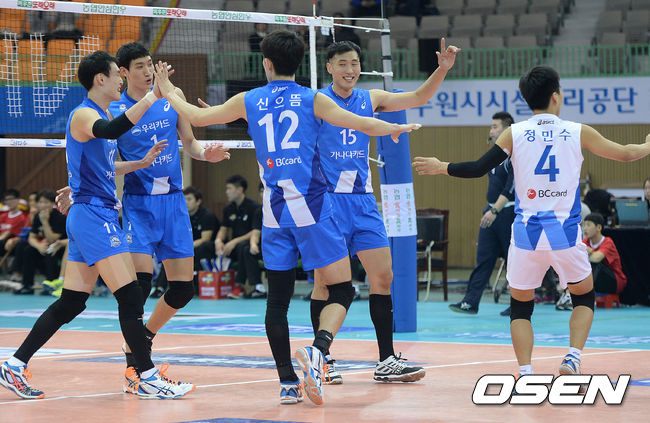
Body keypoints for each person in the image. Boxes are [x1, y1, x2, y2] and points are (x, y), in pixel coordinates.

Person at [152, 29, 420, 405]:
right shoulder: (313, 98)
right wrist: (395, 127)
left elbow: (196, 116)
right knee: (342, 289)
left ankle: (288, 384)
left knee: (277, 302)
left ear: (266, 63)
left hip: (274, 212)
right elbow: (361, 123)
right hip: (313, 208)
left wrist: (167, 88)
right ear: (300, 63)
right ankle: (318, 350)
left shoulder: (249, 99)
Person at [412, 65, 650, 379]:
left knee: (521, 307)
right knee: (583, 296)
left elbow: (479, 168)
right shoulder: (577, 131)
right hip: (565, 234)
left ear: (526, 99)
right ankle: (572, 358)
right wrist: (647, 146)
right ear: (556, 96)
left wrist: (442, 165)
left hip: (526, 235)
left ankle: (525, 372)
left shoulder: (515, 133)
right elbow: (625, 154)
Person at [0, 50, 193, 400]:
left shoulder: (100, 112)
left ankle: (14, 364)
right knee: (130, 295)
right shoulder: (85, 115)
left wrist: (139, 163)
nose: (121, 80)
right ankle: (146, 376)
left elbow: (104, 167)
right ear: (100, 79)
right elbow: (112, 129)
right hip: (93, 216)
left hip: (92, 212)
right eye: (117, 75)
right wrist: (155, 94)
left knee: (72, 302)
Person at [311, 39, 458, 384]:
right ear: (329, 68)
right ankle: (323, 358)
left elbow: (417, 98)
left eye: (354, 63)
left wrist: (442, 70)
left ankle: (386, 359)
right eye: (342, 64)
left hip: (362, 202)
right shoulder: (316, 101)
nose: (350, 70)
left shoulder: (370, 98)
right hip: (327, 201)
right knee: (324, 283)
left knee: (383, 277)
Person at [108, 42, 230, 391]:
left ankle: (143, 337)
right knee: (139, 286)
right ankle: (135, 370)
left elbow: (189, 142)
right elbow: (106, 162)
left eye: (150, 64)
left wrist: (205, 153)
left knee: (183, 289)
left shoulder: (172, 98)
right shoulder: (116, 111)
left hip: (174, 204)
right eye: (140, 66)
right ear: (124, 72)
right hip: (139, 205)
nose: (148, 71)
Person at [448, 112, 515, 315]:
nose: (491, 130)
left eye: (495, 126)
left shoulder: (514, 156)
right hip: (491, 211)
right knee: (484, 258)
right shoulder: (494, 157)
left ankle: (518, 303)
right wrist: (490, 209)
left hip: (508, 212)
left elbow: (511, 188)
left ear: (507, 130)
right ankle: (470, 301)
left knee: (514, 260)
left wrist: (495, 210)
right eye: (491, 126)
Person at [213, 174, 261, 299]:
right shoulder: (229, 208)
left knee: (243, 248)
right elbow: (223, 229)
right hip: (233, 246)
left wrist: (234, 242)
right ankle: (208, 285)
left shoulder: (254, 207)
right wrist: (218, 240)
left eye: (229, 188)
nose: (226, 192)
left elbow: (255, 231)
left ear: (239, 190)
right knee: (209, 248)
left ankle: (241, 286)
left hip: (250, 244)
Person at [14, 190, 66, 295]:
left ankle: (51, 285)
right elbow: (31, 237)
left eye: (46, 202)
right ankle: (27, 285)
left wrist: (45, 222)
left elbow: (52, 239)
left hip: (61, 247)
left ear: (52, 203)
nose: (43, 205)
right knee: (28, 250)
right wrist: (38, 246)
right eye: (40, 202)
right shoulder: (38, 216)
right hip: (44, 246)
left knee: (50, 250)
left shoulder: (60, 217)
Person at [184, 185, 220, 291]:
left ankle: (201, 285)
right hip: (192, 247)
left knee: (202, 247)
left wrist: (186, 247)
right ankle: (160, 287)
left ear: (198, 201)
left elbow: (205, 239)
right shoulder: (183, 216)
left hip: (211, 249)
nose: (186, 202)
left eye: (189, 199)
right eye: (184, 199)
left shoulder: (207, 215)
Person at [582, 213, 627, 295]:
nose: (585, 228)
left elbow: (596, 259)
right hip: (598, 280)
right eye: (584, 225)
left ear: (599, 228)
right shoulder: (585, 242)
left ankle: (584, 293)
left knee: (594, 264)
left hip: (616, 281)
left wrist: (585, 254)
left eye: (588, 225)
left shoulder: (608, 242)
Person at [0, 189, 29, 261]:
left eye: (11, 199)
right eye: (6, 200)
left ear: (18, 199)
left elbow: (7, 234)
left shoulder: (22, 217)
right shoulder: (3, 216)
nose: (9, 202)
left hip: (12, 244)